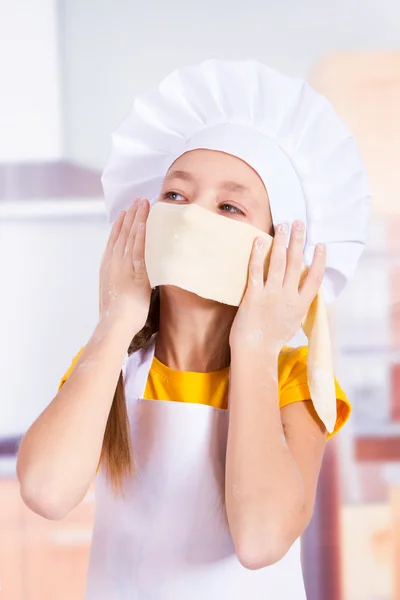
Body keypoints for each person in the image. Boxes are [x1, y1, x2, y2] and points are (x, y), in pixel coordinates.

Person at [16, 60, 371, 599]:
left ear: (278, 251)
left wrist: (254, 346)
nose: (190, 216)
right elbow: (45, 490)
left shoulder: (293, 382)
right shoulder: (113, 366)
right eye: (176, 196)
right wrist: (117, 320)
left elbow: (259, 540)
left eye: (230, 206)